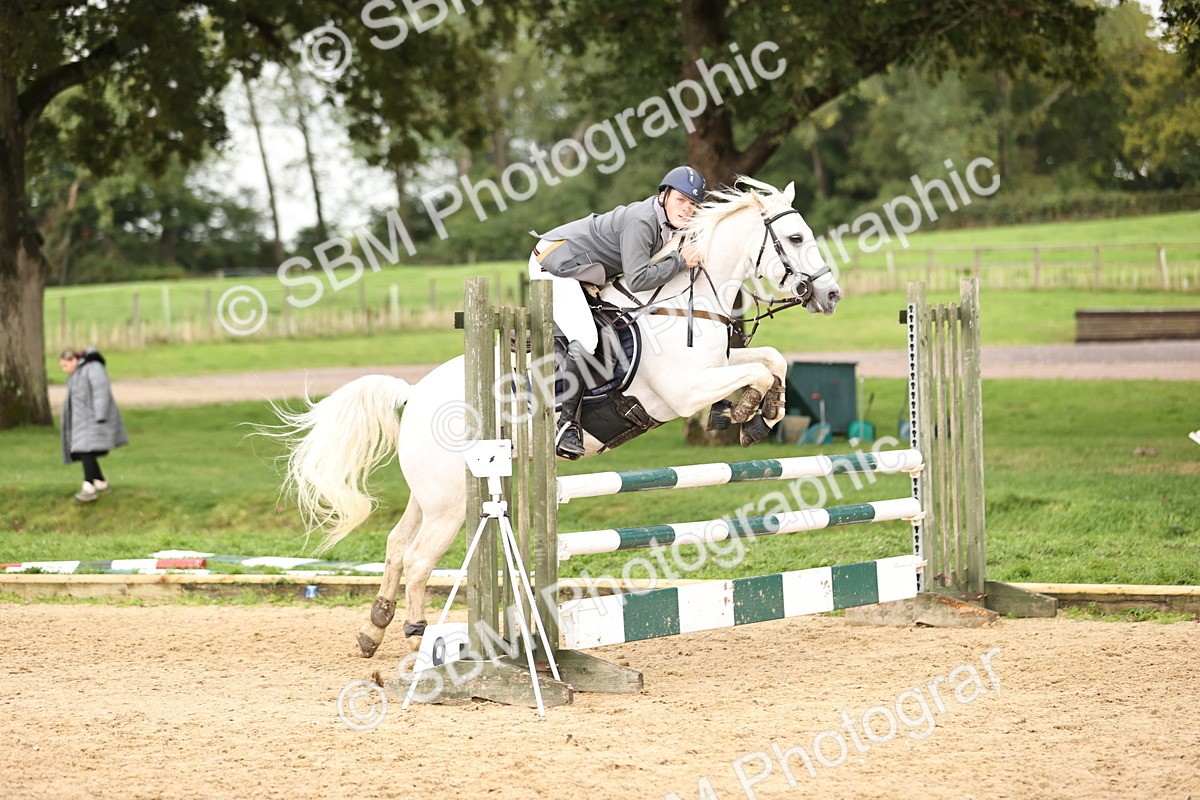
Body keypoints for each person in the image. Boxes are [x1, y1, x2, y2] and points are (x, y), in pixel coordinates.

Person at [529, 165, 708, 459]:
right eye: (681, 200)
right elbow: (638, 279)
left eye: (693, 205)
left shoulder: (669, 225)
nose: (687, 209)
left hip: (583, 269)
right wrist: (679, 262)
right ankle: (566, 427)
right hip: (554, 265)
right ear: (664, 195)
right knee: (586, 338)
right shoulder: (643, 220)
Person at [59, 347, 129, 502]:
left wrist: (101, 414)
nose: (64, 370)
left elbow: (101, 391)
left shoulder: (93, 368)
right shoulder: (76, 374)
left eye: (65, 365)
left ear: (74, 360)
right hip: (82, 421)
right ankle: (101, 483)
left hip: (94, 419)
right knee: (84, 450)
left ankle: (88, 487)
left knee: (85, 450)